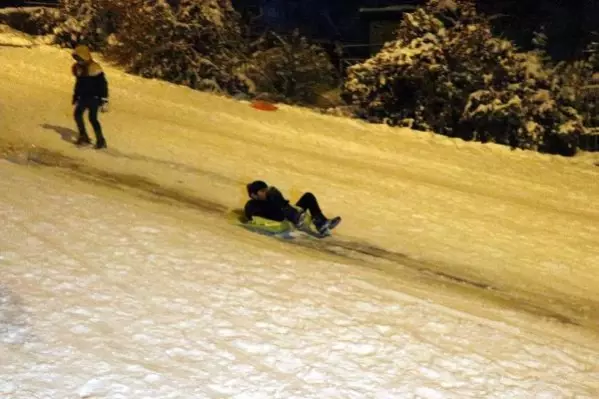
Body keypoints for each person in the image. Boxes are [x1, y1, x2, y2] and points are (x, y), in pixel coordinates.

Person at [244, 180, 341, 234]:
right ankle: (297, 218)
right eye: (262, 191)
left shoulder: (269, 199)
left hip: (290, 213)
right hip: (283, 218)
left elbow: (283, 206)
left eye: (266, 189)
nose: (266, 192)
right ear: (253, 195)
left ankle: (321, 222)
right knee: (284, 207)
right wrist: (277, 201)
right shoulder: (252, 205)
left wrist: (278, 199)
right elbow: (261, 219)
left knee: (308, 196)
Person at [71, 44, 109, 149]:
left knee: (92, 119)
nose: (78, 61)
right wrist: (76, 95)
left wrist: (104, 99)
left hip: (94, 98)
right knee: (77, 115)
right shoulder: (79, 69)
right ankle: (83, 136)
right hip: (83, 97)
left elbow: (103, 85)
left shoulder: (95, 69)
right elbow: (78, 84)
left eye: (80, 59)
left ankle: (100, 140)